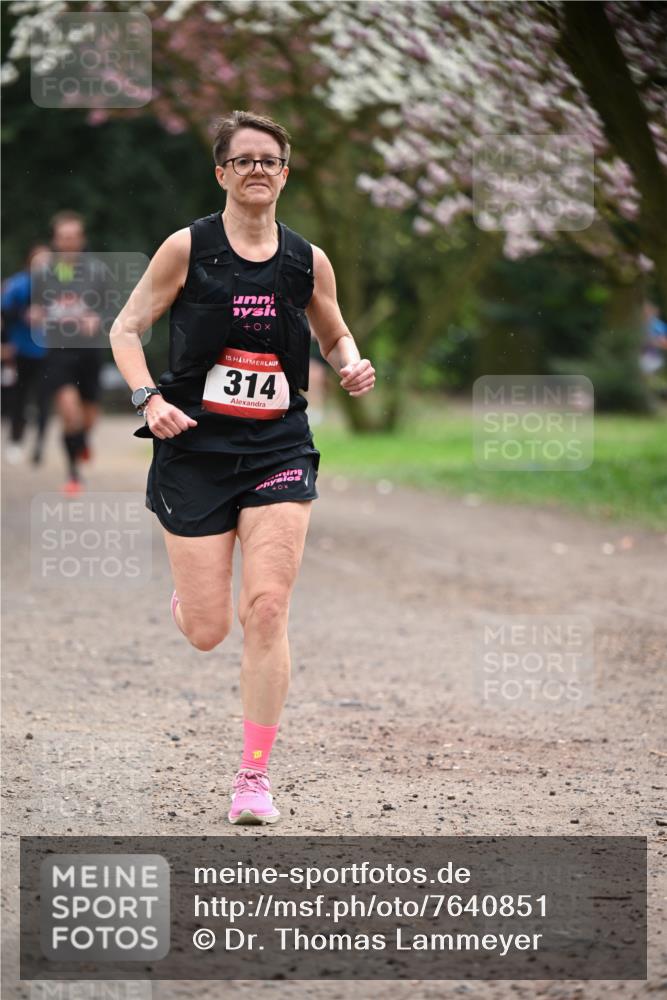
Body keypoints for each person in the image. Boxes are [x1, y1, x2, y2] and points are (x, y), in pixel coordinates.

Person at [110, 110, 375, 825]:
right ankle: (189, 601)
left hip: (277, 448)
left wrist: (348, 363)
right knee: (207, 629)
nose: (257, 169)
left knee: (265, 608)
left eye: (270, 159)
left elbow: (334, 330)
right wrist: (148, 397)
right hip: (193, 447)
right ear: (222, 172)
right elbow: (126, 328)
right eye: (243, 159)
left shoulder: (305, 260)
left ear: (284, 175)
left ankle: (252, 778)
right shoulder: (186, 248)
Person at [34, 211, 108, 494]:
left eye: (73, 236)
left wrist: (97, 318)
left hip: (89, 351)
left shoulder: (97, 271)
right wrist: (35, 313)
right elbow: (34, 305)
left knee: (89, 416)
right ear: (55, 240)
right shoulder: (43, 272)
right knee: (69, 413)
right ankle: (73, 474)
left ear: (81, 239)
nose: (68, 242)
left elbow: (112, 308)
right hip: (58, 350)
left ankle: (82, 441)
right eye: (63, 237)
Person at [1, 244, 51, 464]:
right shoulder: (17, 285)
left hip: (47, 352)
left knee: (43, 401)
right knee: (19, 399)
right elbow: (4, 314)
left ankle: (40, 446)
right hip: (20, 351)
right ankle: (15, 440)